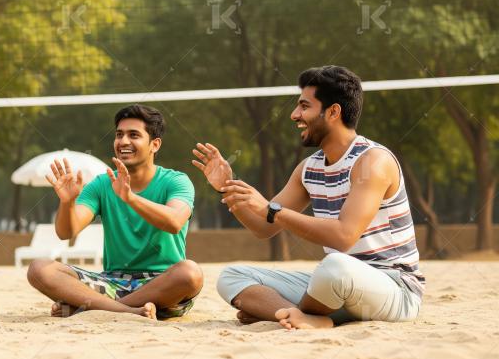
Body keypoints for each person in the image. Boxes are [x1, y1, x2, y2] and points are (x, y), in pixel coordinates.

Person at [192, 65, 424, 329]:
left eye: (304, 106)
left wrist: (271, 209)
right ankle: (304, 317)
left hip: (394, 288)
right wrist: (226, 188)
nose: (294, 115)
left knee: (335, 266)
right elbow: (263, 227)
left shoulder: (373, 161)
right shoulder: (309, 168)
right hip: (336, 288)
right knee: (232, 276)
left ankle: (284, 312)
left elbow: (344, 236)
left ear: (333, 112)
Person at [26, 105, 203, 320]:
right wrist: (67, 203)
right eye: (119, 135)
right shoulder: (101, 184)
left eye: (134, 135)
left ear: (154, 145)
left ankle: (94, 308)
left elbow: (174, 221)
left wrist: (130, 198)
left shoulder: (176, 181)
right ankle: (127, 311)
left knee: (190, 273)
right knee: (39, 268)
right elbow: (66, 232)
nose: (124, 141)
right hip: (111, 282)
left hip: (163, 285)